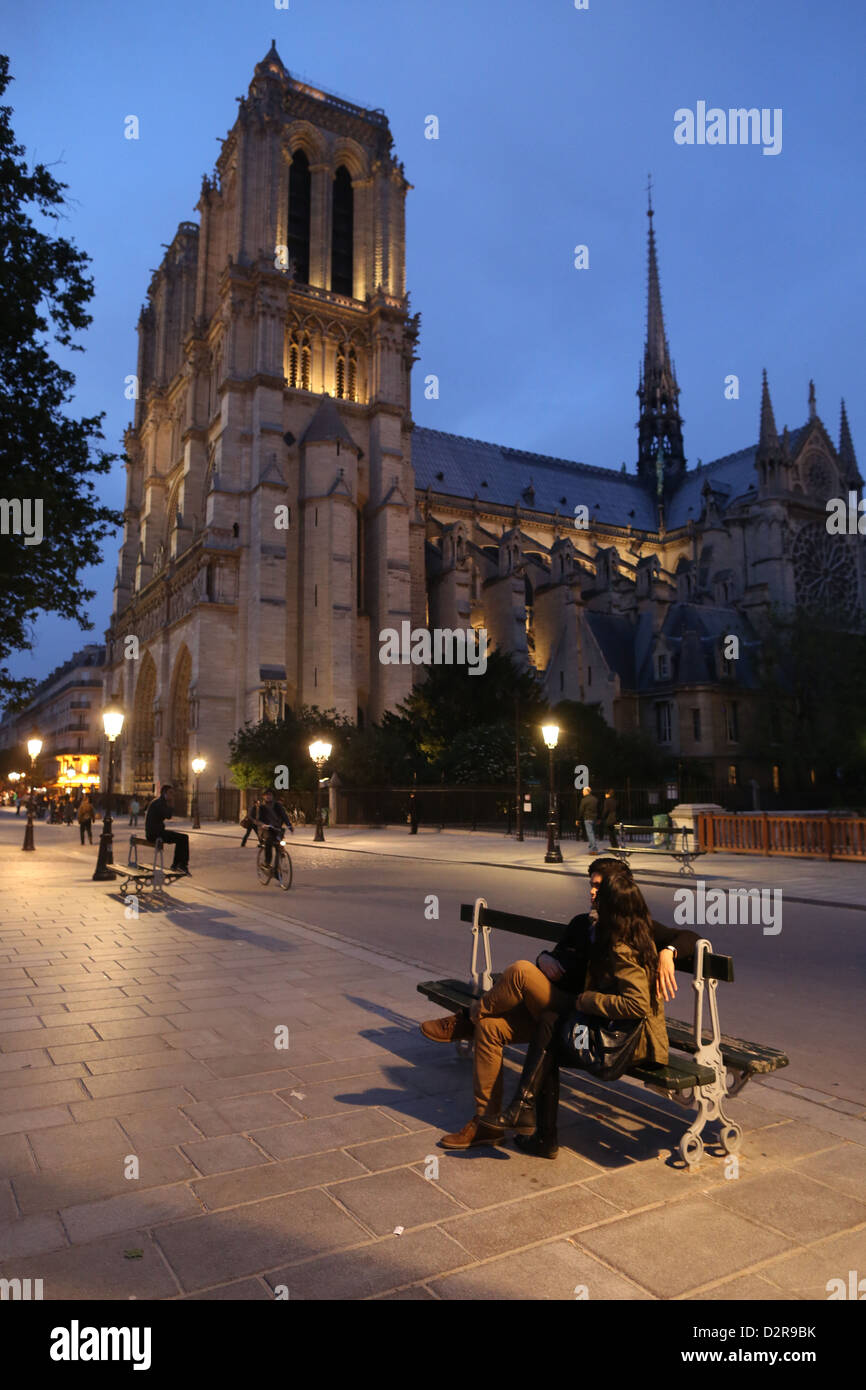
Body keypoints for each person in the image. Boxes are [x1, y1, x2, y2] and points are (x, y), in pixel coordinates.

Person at [419, 857, 699, 1152]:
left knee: (519, 972)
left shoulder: (629, 926)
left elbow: (690, 938)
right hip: (556, 1009)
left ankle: (467, 1017)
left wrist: (668, 951)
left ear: (616, 890)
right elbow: (557, 954)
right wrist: (545, 958)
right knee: (490, 1028)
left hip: (582, 1014)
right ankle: (486, 1124)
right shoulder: (582, 923)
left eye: (598, 887)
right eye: (590, 886)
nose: (592, 893)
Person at [495, 868, 670, 1158]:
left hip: (624, 1046)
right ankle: (524, 1112)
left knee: (548, 1041)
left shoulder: (622, 946)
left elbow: (636, 1004)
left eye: (601, 895)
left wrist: (586, 1001)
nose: (593, 898)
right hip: (620, 1034)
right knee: (549, 1030)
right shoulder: (634, 932)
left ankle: (536, 1127)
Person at [144, 784, 190, 874]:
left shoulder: (158, 802)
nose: (172, 795)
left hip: (153, 833)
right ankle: (181, 865)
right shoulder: (160, 803)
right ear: (164, 793)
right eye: (170, 793)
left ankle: (177, 864)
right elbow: (168, 816)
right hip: (155, 834)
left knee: (181, 838)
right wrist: (172, 804)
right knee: (183, 838)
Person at [253, 788, 293, 866]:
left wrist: (289, 825)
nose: (268, 796)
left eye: (270, 795)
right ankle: (267, 862)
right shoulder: (261, 807)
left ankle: (278, 864)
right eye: (266, 795)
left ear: (273, 796)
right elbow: (258, 819)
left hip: (276, 828)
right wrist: (263, 825)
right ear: (263, 797)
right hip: (265, 829)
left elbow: (284, 815)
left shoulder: (277, 805)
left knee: (280, 842)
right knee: (269, 841)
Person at [578, 785, 599, 852]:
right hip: (594, 818)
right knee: (592, 833)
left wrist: (578, 819)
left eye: (583, 791)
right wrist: (599, 818)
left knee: (590, 833)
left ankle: (593, 848)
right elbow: (599, 809)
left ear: (587, 791)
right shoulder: (595, 799)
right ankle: (591, 846)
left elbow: (581, 810)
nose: (583, 792)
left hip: (587, 818)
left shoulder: (584, 800)